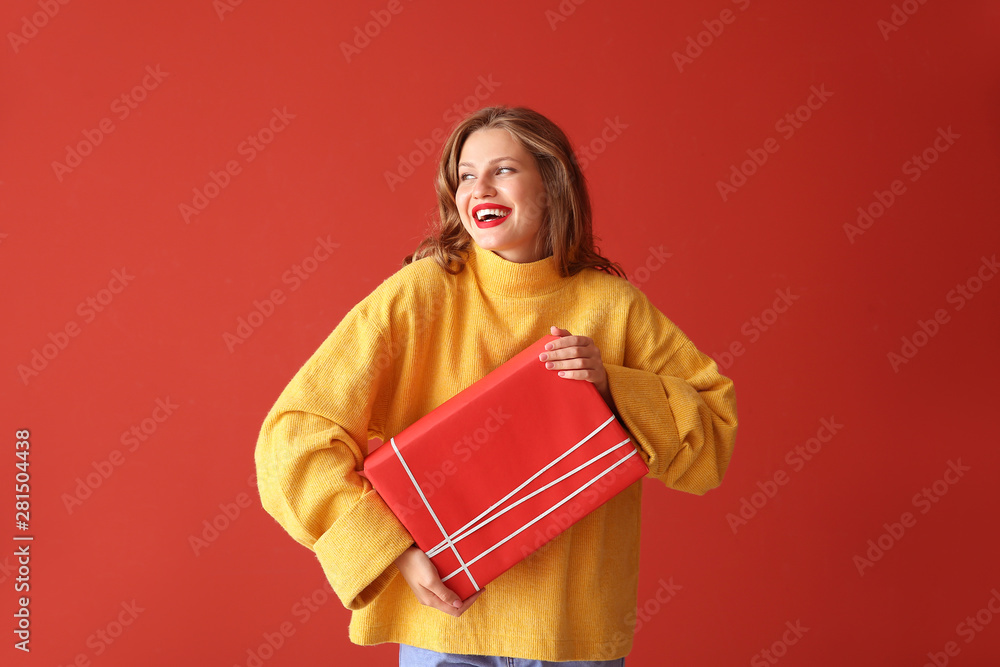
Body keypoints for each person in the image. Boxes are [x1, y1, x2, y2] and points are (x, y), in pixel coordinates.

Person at [254, 106, 738, 666]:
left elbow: (711, 443)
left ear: (553, 185)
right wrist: (391, 551)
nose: (478, 186)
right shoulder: (419, 296)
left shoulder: (614, 306)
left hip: (573, 637)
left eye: (503, 169)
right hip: (446, 631)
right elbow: (293, 437)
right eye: (465, 174)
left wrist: (613, 388)